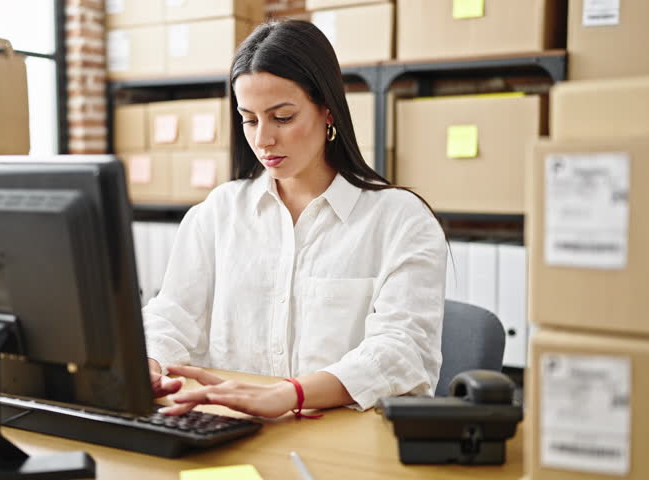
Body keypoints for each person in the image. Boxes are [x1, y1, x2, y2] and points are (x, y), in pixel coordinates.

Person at [143, 19, 446, 418]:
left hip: (344, 437)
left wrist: (292, 394)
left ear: (328, 111)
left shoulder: (400, 220)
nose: (263, 140)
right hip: (238, 430)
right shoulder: (218, 212)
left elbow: (403, 351)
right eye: (250, 119)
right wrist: (149, 363)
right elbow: (171, 316)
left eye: (282, 117)